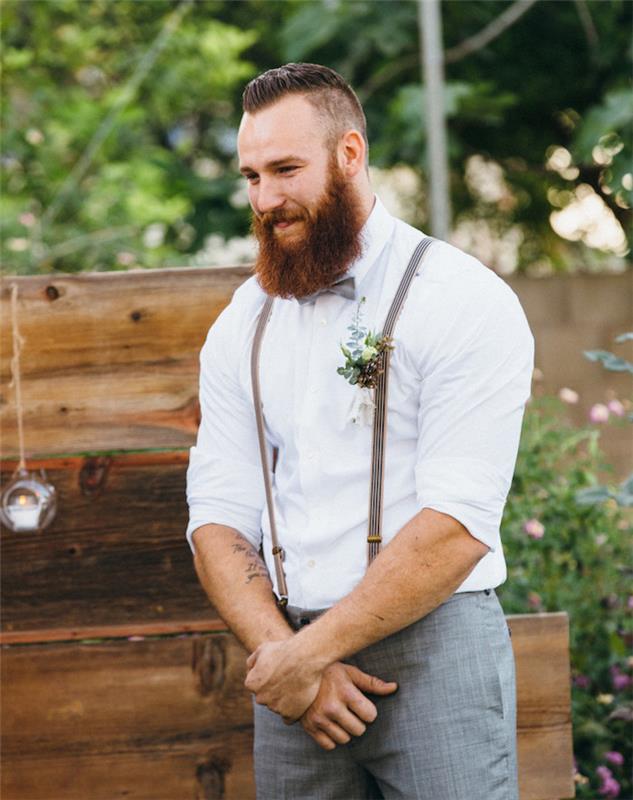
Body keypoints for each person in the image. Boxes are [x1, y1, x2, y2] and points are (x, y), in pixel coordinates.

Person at [186, 62, 534, 800]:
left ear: (349, 155)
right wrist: (286, 657)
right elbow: (217, 516)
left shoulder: (462, 300)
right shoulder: (240, 325)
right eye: (251, 176)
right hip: (290, 671)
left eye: (285, 169)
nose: (265, 198)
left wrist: (308, 653)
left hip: (434, 651)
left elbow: (457, 522)